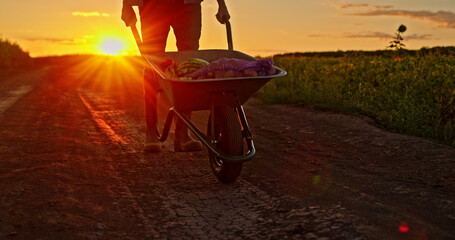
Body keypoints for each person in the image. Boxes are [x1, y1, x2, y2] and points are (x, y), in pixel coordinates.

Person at [121, 0, 230, 152]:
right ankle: (151, 132)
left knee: (190, 64)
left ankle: (182, 132)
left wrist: (222, 3)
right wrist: (126, 4)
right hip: (153, 5)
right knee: (152, 63)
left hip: (187, 4)